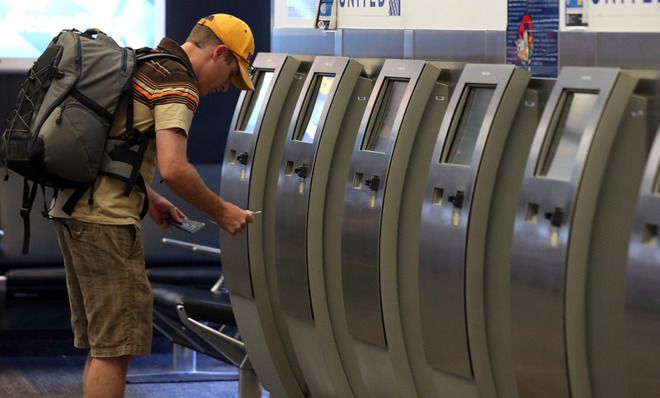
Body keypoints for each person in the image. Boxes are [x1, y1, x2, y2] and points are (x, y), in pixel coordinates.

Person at [49, 13, 255, 398]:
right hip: (106, 222)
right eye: (231, 74)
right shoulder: (179, 83)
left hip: (74, 210)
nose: (226, 88)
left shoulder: (146, 63)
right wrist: (221, 211)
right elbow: (174, 168)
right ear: (219, 52)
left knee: (104, 345)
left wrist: (149, 198)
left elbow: (111, 149)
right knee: (117, 347)